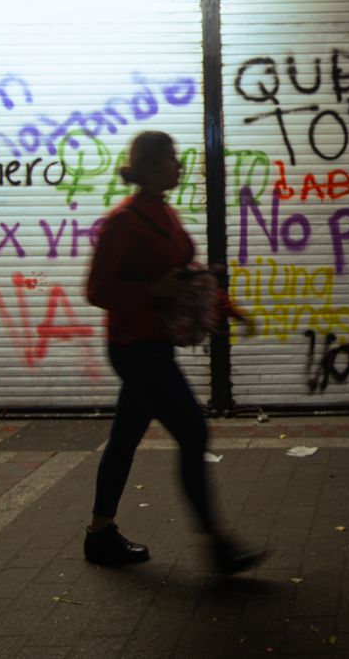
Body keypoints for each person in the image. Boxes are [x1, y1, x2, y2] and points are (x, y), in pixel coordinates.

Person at [83, 130, 264, 575]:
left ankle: (100, 534)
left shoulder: (162, 212)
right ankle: (218, 546)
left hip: (153, 343)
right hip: (134, 347)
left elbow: (185, 274)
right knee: (193, 434)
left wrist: (227, 308)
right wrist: (149, 290)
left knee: (124, 438)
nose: (179, 167)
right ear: (147, 167)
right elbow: (97, 290)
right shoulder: (122, 222)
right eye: (170, 160)